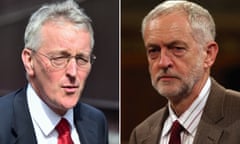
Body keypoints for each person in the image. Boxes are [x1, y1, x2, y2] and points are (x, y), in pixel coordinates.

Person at [129, 0, 240, 144]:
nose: (163, 62)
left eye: (177, 49)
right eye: (153, 51)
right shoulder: (141, 135)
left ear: (208, 54)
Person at [0, 0, 108, 144]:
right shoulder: (3, 123)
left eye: (82, 59)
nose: (73, 72)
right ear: (29, 61)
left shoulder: (96, 122)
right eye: (59, 58)